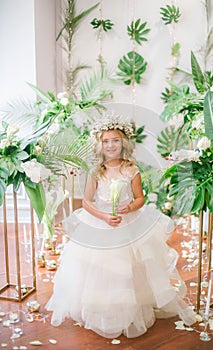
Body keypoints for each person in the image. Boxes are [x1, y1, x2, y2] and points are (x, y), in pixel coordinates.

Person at [46, 114, 195, 338]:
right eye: (106, 141)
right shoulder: (96, 172)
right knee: (100, 269)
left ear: (123, 143)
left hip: (128, 222)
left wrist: (130, 208)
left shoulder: (131, 170)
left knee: (131, 268)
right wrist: (104, 217)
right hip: (100, 221)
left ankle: (131, 308)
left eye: (115, 140)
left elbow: (140, 199)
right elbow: (86, 202)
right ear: (100, 145)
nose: (111, 145)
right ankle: (100, 308)